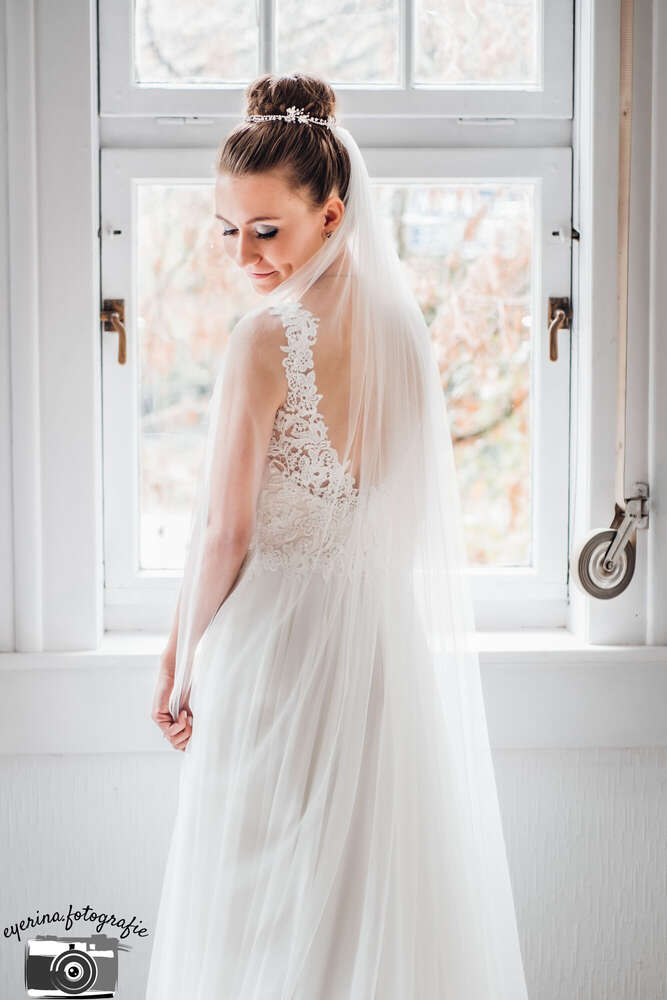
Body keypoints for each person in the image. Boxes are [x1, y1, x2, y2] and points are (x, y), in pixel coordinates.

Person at [146, 73, 530, 1000]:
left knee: (261, 901)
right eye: (227, 231)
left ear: (331, 212)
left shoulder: (264, 340)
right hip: (377, 648)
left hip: (276, 652)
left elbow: (225, 532)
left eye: (266, 230)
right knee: (368, 892)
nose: (244, 257)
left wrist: (175, 659)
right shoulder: (404, 327)